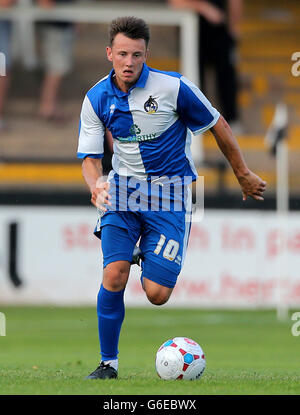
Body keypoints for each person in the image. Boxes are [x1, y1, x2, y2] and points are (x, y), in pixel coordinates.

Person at [77, 16, 266, 379]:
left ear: (146, 53)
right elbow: (88, 156)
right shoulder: (96, 97)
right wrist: (95, 184)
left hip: (171, 195)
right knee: (114, 274)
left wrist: (243, 173)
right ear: (109, 54)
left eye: (136, 54)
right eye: (121, 54)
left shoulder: (174, 88)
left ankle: (141, 251)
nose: (129, 62)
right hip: (123, 193)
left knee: (157, 293)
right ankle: (107, 365)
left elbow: (218, 125)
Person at [169, 0, 243, 132]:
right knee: (195, 78)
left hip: (220, 30)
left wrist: (233, 26)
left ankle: (231, 119)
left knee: (226, 76)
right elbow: (175, 3)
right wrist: (204, 8)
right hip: (193, 32)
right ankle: (198, 121)